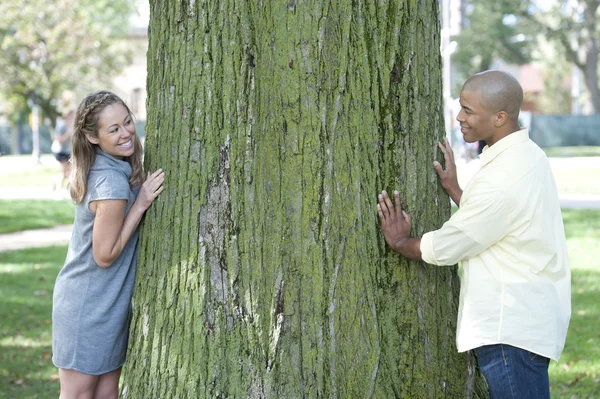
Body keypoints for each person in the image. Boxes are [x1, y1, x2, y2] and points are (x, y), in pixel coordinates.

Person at [377, 70, 570, 399]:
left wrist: (400, 242)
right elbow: (502, 221)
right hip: (527, 322)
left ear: (499, 117)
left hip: (510, 329)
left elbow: (452, 245)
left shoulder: (502, 177)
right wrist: (456, 191)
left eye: (468, 110)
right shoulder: (528, 157)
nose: (459, 117)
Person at [52, 91, 165, 398]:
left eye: (127, 122)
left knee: (105, 394)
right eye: (113, 129)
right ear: (92, 136)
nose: (126, 132)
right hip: (86, 307)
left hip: (108, 305)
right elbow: (104, 255)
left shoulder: (116, 167)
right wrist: (140, 204)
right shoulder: (111, 182)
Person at [52, 109, 75, 190]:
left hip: (68, 151)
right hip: (60, 151)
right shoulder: (61, 125)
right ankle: (59, 192)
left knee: (69, 172)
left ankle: (55, 182)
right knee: (63, 172)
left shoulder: (72, 125)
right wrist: (67, 134)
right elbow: (59, 139)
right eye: (71, 114)